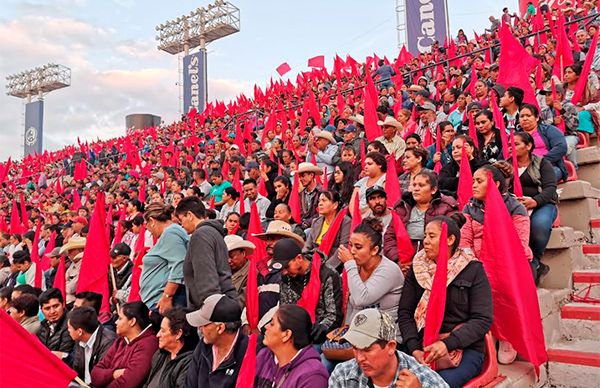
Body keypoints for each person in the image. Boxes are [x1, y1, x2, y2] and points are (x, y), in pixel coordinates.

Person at [398, 217, 493, 388]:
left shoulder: (472, 269)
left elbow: (482, 319)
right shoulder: (418, 267)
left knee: (435, 385)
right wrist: (414, 349)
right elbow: (405, 312)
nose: (425, 241)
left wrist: (447, 344)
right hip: (422, 345)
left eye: (432, 236)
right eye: (425, 236)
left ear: (450, 240)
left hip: (463, 348)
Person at [329, 308, 450, 388]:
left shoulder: (426, 380)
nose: (359, 358)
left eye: (366, 349)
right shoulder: (343, 374)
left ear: (391, 347)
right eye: (355, 348)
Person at [337, 218, 404, 337]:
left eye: (358, 247)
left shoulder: (389, 270)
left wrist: (349, 265)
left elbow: (362, 298)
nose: (352, 251)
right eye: (351, 245)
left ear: (374, 250)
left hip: (385, 337)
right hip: (359, 333)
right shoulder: (357, 267)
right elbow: (353, 307)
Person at [274, 238, 343, 344]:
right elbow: (285, 310)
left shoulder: (327, 274)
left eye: (287, 267)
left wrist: (320, 328)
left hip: (319, 335)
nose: (284, 272)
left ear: (299, 258)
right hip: (293, 333)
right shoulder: (286, 277)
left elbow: (333, 316)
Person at [175, 196, 238, 310]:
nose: (182, 225)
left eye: (181, 220)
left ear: (189, 215)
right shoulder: (211, 232)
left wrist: (208, 312)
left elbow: (207, 279)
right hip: (219, 303)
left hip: (212, 309)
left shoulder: (201, 235)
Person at [384, 171, 459, 264]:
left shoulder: (447, 207)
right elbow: (389, 237)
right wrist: (398, 260)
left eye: (421, 185)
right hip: (403, 260)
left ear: (433, 190)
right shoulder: (402, 207)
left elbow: (449, 238)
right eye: (414, 185)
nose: (416, 189)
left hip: (434, 261)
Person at [513, 131, 558, 283]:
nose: (511, 147)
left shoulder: (541, 163)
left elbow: (550, 188)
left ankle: (536, 262)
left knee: (538, 227)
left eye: (516, 144)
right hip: (515, 208)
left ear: (529, 146)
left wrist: (535, 201)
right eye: (509, 144)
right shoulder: (506, 165)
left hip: (542, 204)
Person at [255, 304, 329, 388]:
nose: (266, 326)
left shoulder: (313, 376)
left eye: (272, 324)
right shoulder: (264, 356)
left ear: (286, 335)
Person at [185, 293, 249, 388]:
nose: (200, 328)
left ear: (220, 328)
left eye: (204, 324)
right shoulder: (203, 346)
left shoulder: (247, 352)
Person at [91, 301, 159, 387]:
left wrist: (106, 376)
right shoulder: (120, 341)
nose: (115, 322)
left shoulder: (148, 344)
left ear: (132, 321)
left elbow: (128, 382)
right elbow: (94, 375)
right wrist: (114, 373)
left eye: (120, 318)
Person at [253, 221, 305, 328]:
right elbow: (251, 297)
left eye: (273, 239)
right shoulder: (259, 266)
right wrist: (246, 322)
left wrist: (260, 326)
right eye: (268, 239)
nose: (268, 243)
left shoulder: (293, 270)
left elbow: (283, 305)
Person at [141, 203, 188, 313]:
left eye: (147, 227)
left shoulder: (170, 233)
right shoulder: (171, 232)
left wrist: (167, 296)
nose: (150, 232)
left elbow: (179, 264)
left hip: (164, 301)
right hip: (158, 300)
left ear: (152, 221)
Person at [144, 307, 198, 388]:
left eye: (163, 330)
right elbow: (147, 383)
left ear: (178, 334)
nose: (157, 335)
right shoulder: (160, 354)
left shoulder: (189, 364)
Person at [66, 306, 117, 385]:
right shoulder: (80, 339)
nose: (68, 330)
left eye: (69, 328)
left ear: (80, 331)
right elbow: (76, 368)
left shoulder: (108, 342)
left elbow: (102, 377)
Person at [518, 103, 568, 182]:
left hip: (549, 167)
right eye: (522, 116)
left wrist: (539, 162)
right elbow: (504, 154)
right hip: (522, 170)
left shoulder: (549, 130)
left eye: (528, 115)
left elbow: (561, 147)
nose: (525, 119)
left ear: (537, 118)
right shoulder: (514, 136)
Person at [303, 191, 351, 270]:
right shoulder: (316, 221)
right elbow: (307, 246)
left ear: (335, 205)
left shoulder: (345, 222)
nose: (320, 204)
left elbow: (342, 249)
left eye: (324, 200)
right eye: (319, 201)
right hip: (314, 261)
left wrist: (325, 269)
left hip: (332, 264)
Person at [37, 288, 75, 357]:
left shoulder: (71, 324)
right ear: (42, 310)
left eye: (56, 306)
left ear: (63, 304)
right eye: (47, 308)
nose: (52, 311)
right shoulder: (42, 325)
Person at [224, 234, 255, 308]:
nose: (228, 260)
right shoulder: (223, 270)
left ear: (243, 253)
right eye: (225, 256)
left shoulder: (252, 274)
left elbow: (241, 302)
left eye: (231, 256)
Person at [59, 235, 87, 305]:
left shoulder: (84, 265)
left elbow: (71, 288)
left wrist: (65, 285)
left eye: (71, 250)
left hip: (77, 300)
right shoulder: (72, 265)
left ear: (81, 250)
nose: (69, 253)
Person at [297, 162, 324, 230]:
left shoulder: (322, 192)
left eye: (303, 176)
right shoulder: (301, 194)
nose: (300, 179)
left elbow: (321, 212)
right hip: (303, 225)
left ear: (311, 175)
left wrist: (307, 223)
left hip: (318, 225)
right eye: (299, 176)